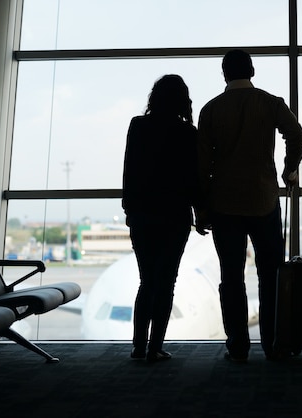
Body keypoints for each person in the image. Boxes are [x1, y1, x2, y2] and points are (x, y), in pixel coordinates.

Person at [196, 49, 302, 362]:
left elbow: (202, 166)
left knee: (231, 278)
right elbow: (296, 135)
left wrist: (201, 208)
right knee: (270, 276)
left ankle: (238, 346)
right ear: (252, 71)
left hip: (224, 205)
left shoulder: (211, 110)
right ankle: (272, 344)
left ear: (224, 74)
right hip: (264, 200)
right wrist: (288, 168)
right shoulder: (271, 103)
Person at [122, 74, 200, 362]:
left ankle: (138, 346)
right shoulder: (188, 133)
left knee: (147, 282)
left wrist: (129, 210)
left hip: (143, 216)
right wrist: (200, 214)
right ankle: (156, 346)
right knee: (166, 282)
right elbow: (193, 181)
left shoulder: (138, 126)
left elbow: (129, 171)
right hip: (175, 217)